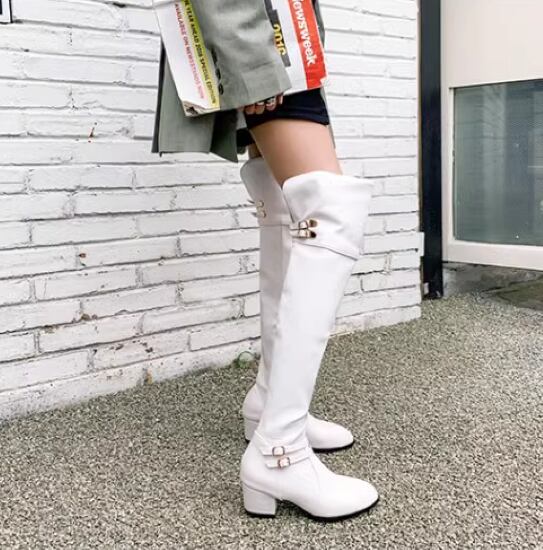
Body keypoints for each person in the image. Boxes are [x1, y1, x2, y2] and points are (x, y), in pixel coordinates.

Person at [152, 0, 378, 520]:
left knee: (283, 206)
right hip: (260, 30)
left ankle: (271, 405)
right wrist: (252, 53)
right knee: (331, 212)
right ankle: (280, 449)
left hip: (276, 34)